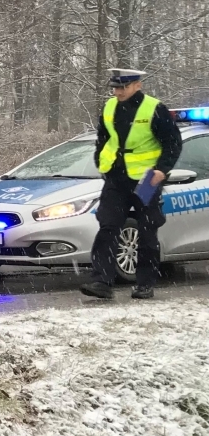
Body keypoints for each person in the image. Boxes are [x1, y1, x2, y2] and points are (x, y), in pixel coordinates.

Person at [80, 68, 181, 300]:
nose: (118, 92)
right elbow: (103, 139)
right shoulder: (109, 107)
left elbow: (173, 142)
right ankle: (101, 282)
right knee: (108, 227)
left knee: (146, 230)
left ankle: (145, 283)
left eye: (123, 87)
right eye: (115, 87)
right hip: (116, 177)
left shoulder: (154, 108)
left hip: (146, 179)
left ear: (137, 85)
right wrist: (101, 163)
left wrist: (161, 171)